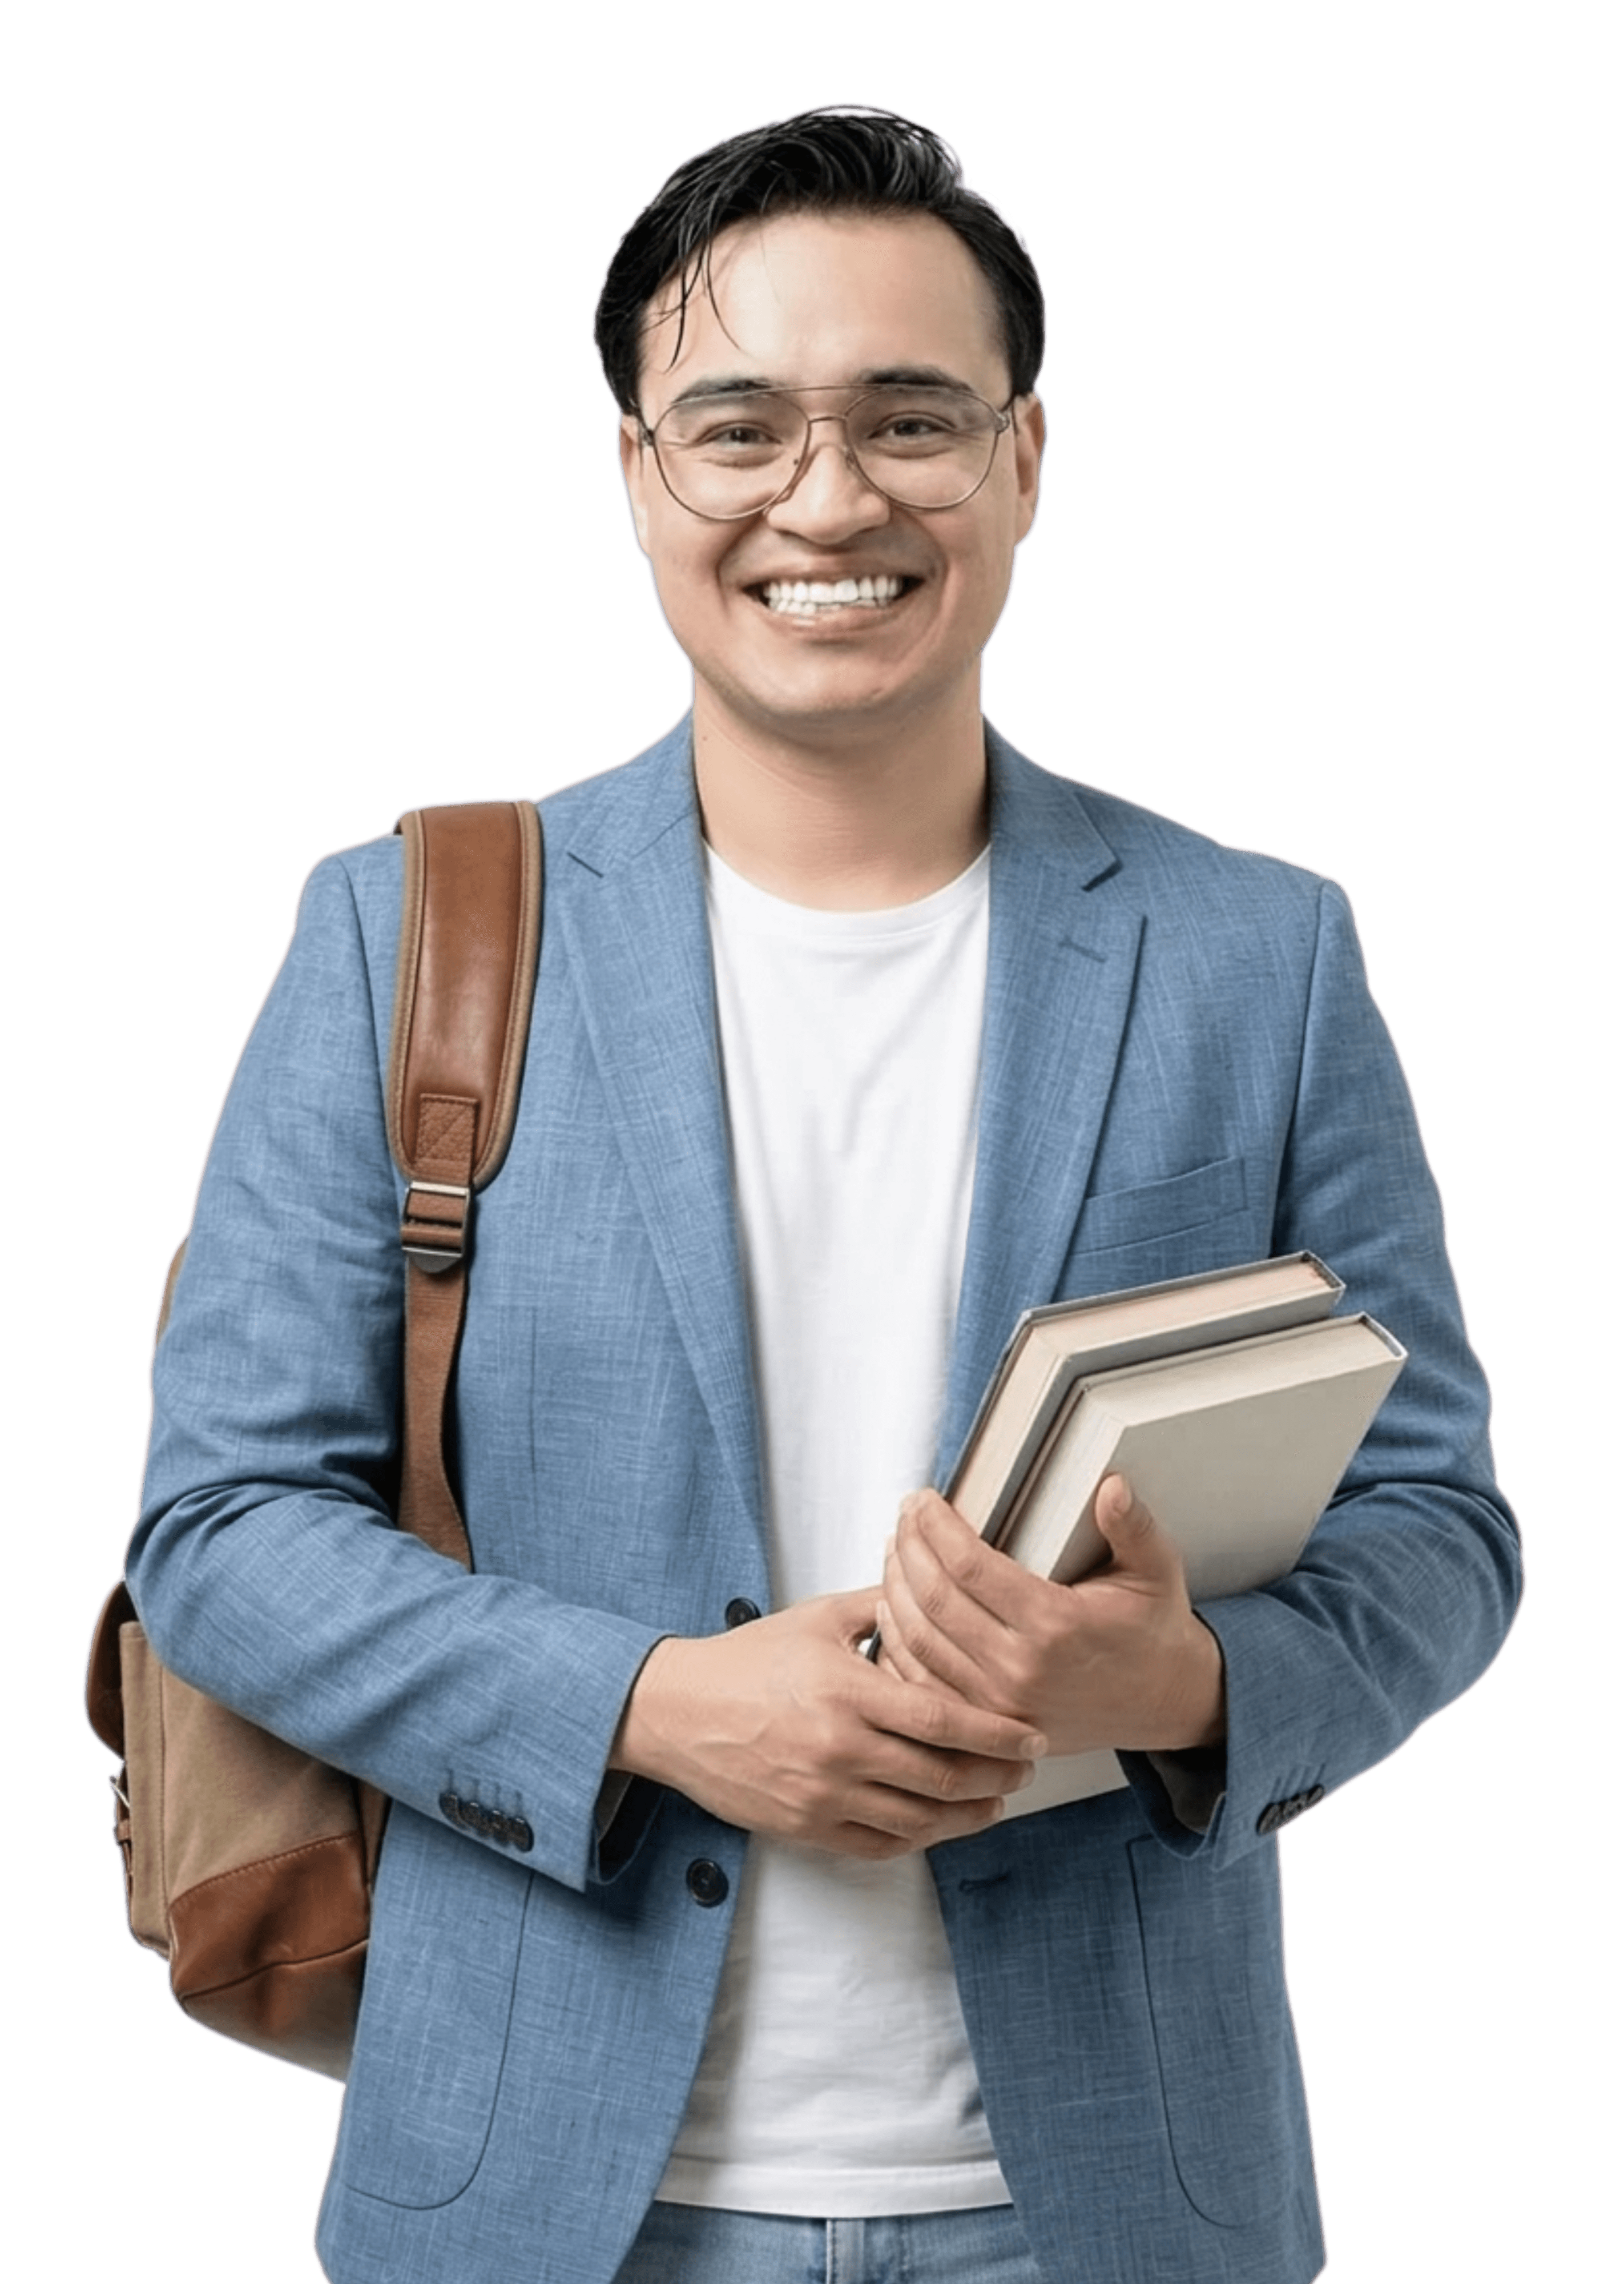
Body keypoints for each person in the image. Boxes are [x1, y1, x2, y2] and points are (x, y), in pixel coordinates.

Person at [128, 104, 1522, 2284]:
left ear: (1026, 461)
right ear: (636, 475)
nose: (829, 498)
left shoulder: (1261, 953)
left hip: (1106, 2208)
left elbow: (1441, 1527)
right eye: (740, 428)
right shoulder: (406, 935)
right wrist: (661, 1710)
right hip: (550, 2198)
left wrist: (1166, 1688)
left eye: (911, 419)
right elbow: (217, 1534)